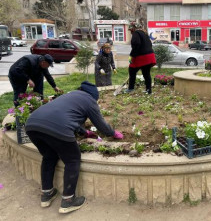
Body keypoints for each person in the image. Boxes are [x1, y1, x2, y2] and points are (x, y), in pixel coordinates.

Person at [25, 81, 124, 214]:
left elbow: (66, 117)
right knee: (72, 160)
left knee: (49, 156)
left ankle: (46, 194)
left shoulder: (69, 96)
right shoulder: (90, 100)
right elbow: (100, 123)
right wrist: (112, 133)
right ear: (94, 96)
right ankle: (68, 201)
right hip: (57, 129)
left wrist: (85, 132)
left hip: (32, 125)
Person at [126, 22, 156, 94]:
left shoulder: (136, 33)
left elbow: (136, 44)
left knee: (132, 70)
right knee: (146, 73)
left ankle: (131, 88)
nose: (131, 32)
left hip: (142, 57)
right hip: (150, 56)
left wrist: (132, 55)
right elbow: (149, 44)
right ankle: (148, 90)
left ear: (133, 28)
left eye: (131, 30)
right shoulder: (144, 33)